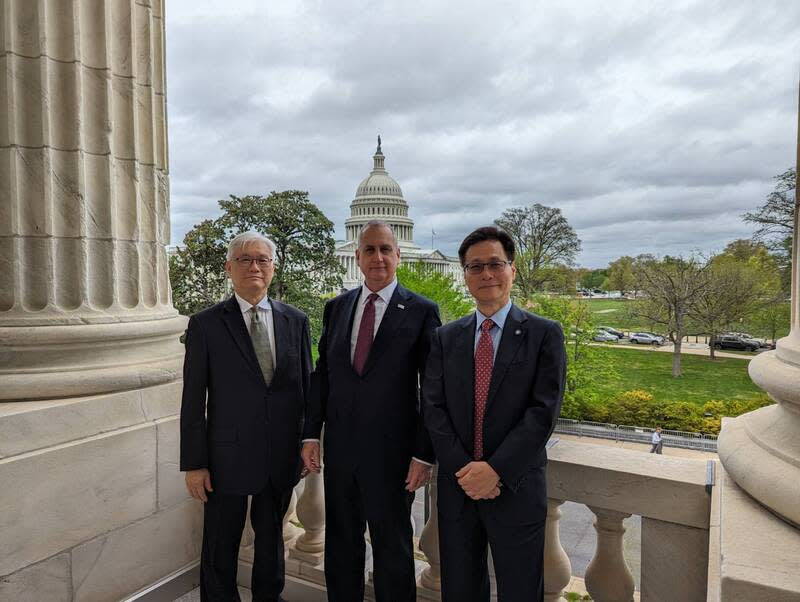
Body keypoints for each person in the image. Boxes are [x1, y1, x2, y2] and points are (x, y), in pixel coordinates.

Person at [423, 226, 566, 602]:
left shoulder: (543, 334)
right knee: (460, 589)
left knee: (520, 591)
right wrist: (467, 473)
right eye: (475, 267)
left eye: (495, 264)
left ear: (512, 270)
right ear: (465, 275)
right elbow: (433, 408)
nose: (486, 274)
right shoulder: (445, 337)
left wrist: (496, 470)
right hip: (459, 487)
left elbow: (543, 411)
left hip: (516, 487)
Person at [301, 220, 441, 601]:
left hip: (394, 456)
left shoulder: (422, 311)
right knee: (342, 545)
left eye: (385, 249)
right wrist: (311, 433)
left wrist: (423, 453)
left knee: (393, 549)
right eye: (369, 250)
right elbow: (323, 375)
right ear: (358, 257)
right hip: (342, 452)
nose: (377, 257)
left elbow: (432, 388)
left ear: (398, 255)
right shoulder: (337, 308)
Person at [180, 231, 312, 602]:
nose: (254, 266)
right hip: (226, 457)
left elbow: (304, 388)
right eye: (245, 259)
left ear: (272, 267)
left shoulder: (296, 321)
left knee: (272, 544)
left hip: (280, 456)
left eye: (262, 260)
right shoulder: (206, 325)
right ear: (229, 268)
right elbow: (193, 399)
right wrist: (194, 463)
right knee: (220, 546)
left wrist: (306, 440)